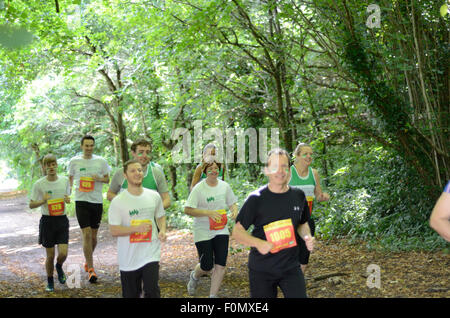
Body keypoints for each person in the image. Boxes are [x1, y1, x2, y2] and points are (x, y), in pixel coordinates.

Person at [232, 148, 314, 298]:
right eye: (275, 166)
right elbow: (237, 231)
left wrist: (307, 236)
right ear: (266, 170)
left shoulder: (298, 195)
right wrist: (258, 243)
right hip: (262, 269)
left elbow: (302, 223)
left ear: (289, 170)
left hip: (290, 267)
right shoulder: (256, 198)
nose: (280, 171)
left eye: (284, 166)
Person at [108, 159, 166, 298]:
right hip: (128, 257)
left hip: (150, 253)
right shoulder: (118, 201)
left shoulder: (153, 196)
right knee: (131, 294)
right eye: (133, 171)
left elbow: (160, 216)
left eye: (139, 170)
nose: (137, 173)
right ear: (125, 175)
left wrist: (162, 229)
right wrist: (136, 229)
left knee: (152, 292)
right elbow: (114, 230)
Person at [185, 160, 238, 298]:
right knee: (207, 265)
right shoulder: (199, 188)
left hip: (221, 229)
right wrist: (208, 213)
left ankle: (213, 296)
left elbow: (232, 203)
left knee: (221, 264)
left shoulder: (224, 186)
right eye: (211, 168)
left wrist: (234, 211)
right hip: (202, 230)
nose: (214, 170)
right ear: (204, 171)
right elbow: (188, 209)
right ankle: (195, 276)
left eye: (216, 168)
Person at [68, 135, 111, 283]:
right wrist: (66, 193)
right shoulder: (74, 161)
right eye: (86, 145)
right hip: (81, 201)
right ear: (81, 146)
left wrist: (97, 178)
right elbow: (70, 179)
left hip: (96, 201)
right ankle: (91, 270)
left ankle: (87, 261)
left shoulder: (101, 161)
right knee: (85, 234)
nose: (89, 148)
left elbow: (107, 179)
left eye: (91, 145)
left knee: (93, 237)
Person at [29, 154, 71, 292]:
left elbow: (67, 197)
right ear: (44, 167)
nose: (51, 167)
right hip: (47, 221)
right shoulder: (39, 184)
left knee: (63, 253)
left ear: (57, 165)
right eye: (48, 165)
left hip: (62, 220)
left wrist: (67, 200)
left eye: (53, 164)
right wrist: (43, 200)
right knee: (50, 255)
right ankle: (50, 281)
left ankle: (59, 266)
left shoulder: (65, 181)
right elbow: (31, 204)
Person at [289, 143, 329, 274]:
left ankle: (296, 282)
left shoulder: (314, 173)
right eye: (305, 153)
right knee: (289, 254)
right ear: (297, 155)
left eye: (311, 154)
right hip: (289, 221)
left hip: (307, 220)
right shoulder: (288, 172)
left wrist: (323, 197)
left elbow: (318, 195)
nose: (309, 156)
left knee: (304, 255)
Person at [107, 139, 171, 209]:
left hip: (149, 219)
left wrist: (153, 209)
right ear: (133, 153)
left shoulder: (156, 173)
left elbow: (167, 200)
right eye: (141, 152)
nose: (144, 156)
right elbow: (110, 194)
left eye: (147, 152)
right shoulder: (121, 173)